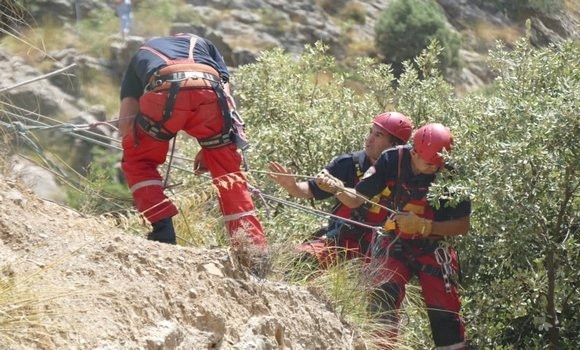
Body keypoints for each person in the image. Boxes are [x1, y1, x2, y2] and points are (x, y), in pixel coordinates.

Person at [317, 123, 470, 350]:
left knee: (444, 317)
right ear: (414, 153)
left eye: (438, 164)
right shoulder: (391, 160)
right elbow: (357, 199)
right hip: (395, 241)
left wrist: (425, 226)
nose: (435, 169)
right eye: (429, 164)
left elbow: (462, 225)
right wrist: (337, 188)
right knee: (382, 299)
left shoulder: (450, 172)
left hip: (434, 246)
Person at [117, 33, 267, 249]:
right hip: (209, 92)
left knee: (138, 161)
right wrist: (213, 145)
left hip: (163, 89)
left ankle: (162, 231)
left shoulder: (142, 54)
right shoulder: (205, 45)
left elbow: (125, 124)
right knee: (228, 173)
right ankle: (252, 246)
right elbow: (226, 99)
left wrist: (148, 130)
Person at [269, 112, 413, 267]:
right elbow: (310, 189)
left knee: (384, 286)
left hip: (380, 249)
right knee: (302, 262)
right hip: (341, 240)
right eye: (370, 132)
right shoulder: (348, 164)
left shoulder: (406, 175)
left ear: (394, 145)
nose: (369, 139)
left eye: (378, 135)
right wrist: (293, 186)